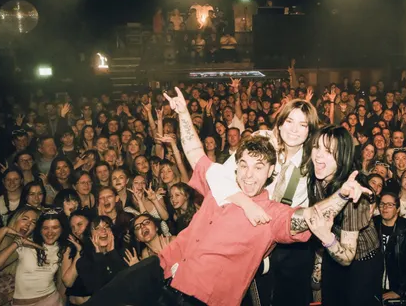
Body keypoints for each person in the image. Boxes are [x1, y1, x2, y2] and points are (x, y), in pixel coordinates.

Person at [83, 87, 369, 306]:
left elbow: (306, 217)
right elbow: (196, 154)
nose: (249, 173)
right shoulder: (227, 177)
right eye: (244, 164)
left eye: (303, 125)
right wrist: (183, 114)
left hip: (217, 278)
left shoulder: (305, 171)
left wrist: (342, 195)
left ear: (270, 171)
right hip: (171, 262)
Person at [206, 93, 320, 306]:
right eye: (289, 121)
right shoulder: (262, 141)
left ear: (310, 130)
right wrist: (246, 204)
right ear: (280, 122)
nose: (294, 130)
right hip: (250, 231)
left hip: (291, 245)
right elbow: (217, 176)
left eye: (302, 125)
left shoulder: (315, 159)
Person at [306, 126, 382, 306]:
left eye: (328, 151)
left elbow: (347, 257)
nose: (318, 156)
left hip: (360, 264)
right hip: (331, 252)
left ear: (342, 157)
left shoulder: (354, 195)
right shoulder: (316, 177)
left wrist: (325, 236)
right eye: (316, 147)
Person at [375, 192, 406, 300]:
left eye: (390, 205)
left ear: (397, 209)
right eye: (382, 204)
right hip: (374, 288)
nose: (385, 207)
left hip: (399, 289)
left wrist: (400, 291)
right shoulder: (373, 224)